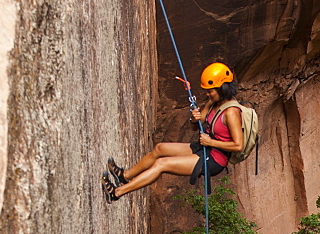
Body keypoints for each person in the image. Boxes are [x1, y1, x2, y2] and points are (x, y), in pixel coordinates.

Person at [102, 62, 243, 201]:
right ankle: (125, 176)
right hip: (205, 147)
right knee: (160, 148)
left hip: (214, 159)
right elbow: (197, 125)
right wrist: (194, 119)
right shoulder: (213, 103)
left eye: (210, 91)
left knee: (162, 164)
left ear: (222, 88)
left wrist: (211, 141)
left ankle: (117, 193)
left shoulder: (231, 112)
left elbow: (238, 146)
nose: (207, 94)